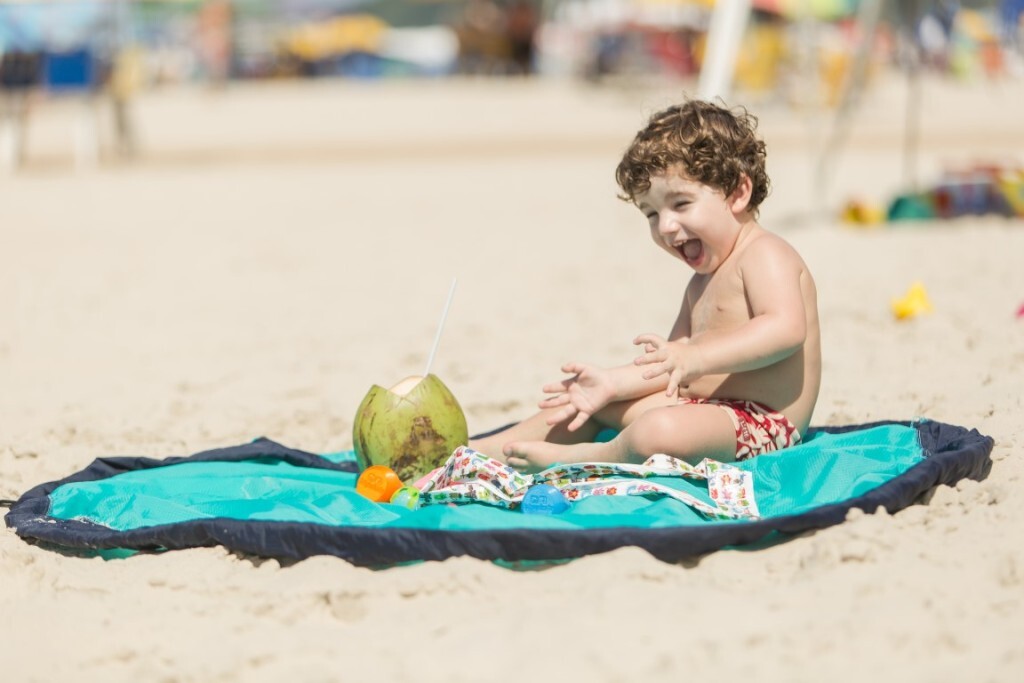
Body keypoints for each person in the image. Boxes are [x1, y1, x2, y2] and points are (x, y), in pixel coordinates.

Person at [471, 99, 821, 472]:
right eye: (652, 213)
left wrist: (696, 358)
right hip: (704, 412)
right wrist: (611, 383)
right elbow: (667, 365)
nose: (665, 226)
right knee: (585, 402)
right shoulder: (699, 284)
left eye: (681, 204)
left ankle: (581, 458)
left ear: (737, 193)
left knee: (657, 430)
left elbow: (785, 329)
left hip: (763, 424)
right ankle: (488, 449)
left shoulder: (765, 253)